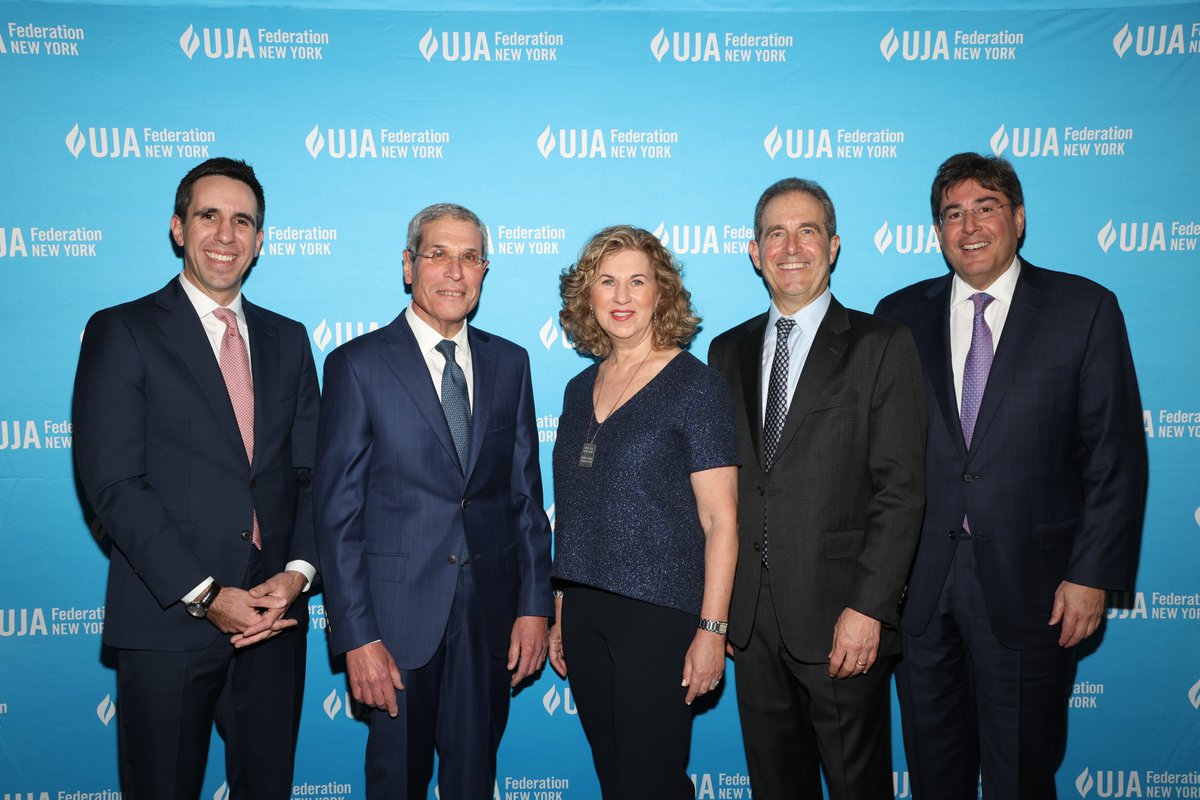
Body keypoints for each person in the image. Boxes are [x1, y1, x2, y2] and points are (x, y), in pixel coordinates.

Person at [875, 153, 1147, 799]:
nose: (969, 226)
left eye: (986, 207)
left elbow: (1114, 455)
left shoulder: (1083, 308)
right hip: (921, 590)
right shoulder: (898, 316)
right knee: (935, 775)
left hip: (1036, 587)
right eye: (953, 214)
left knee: (1021, 773)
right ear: (937, 231)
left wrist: (1089, 576)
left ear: (1019, 219)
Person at [73, 157, 319, 799]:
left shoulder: (289, 341)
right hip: (169, 620)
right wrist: (208, 597)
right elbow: (113, 485)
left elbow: (311, 475)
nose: (226, 234)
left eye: (243, 221)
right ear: (178, 228)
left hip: (273, 620)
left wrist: (296, 575)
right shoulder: (120, 331)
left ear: (261, 240)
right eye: (209, 215)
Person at [314, 203, 553, 800]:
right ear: (407, 265)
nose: (454, 271)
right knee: (396, 782)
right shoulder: (357, 365)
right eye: (437, 254)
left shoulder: (510, 362)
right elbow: (336, 513)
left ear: (484, 269)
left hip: (491, 617)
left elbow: (525, 498)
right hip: (394, 625)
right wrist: (356, 636)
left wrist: (534, 605)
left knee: (475, 782)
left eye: (469, 257)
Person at [708, 178, 926, 799]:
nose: (791, 246)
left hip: (842, 620)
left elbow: (902, 490)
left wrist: (870, 610)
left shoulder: (881, 344)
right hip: (751, 626)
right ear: (755, 252)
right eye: (775, 233)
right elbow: (724, 494)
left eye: (807, 231)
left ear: (834, 246)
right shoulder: (727, 350)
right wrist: (721, 613)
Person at [548, 225, 739, 800]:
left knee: (651, 782)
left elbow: (721, 521)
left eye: (638, 281)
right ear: (588, 296)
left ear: (662, 294)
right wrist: (560, 607)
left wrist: (712, 629)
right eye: (607, 282)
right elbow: (576, 510)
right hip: (584, 613)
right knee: (614, 778)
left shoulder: (696, 386)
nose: (623, 296)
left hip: (661, 616)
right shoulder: (580, 387)